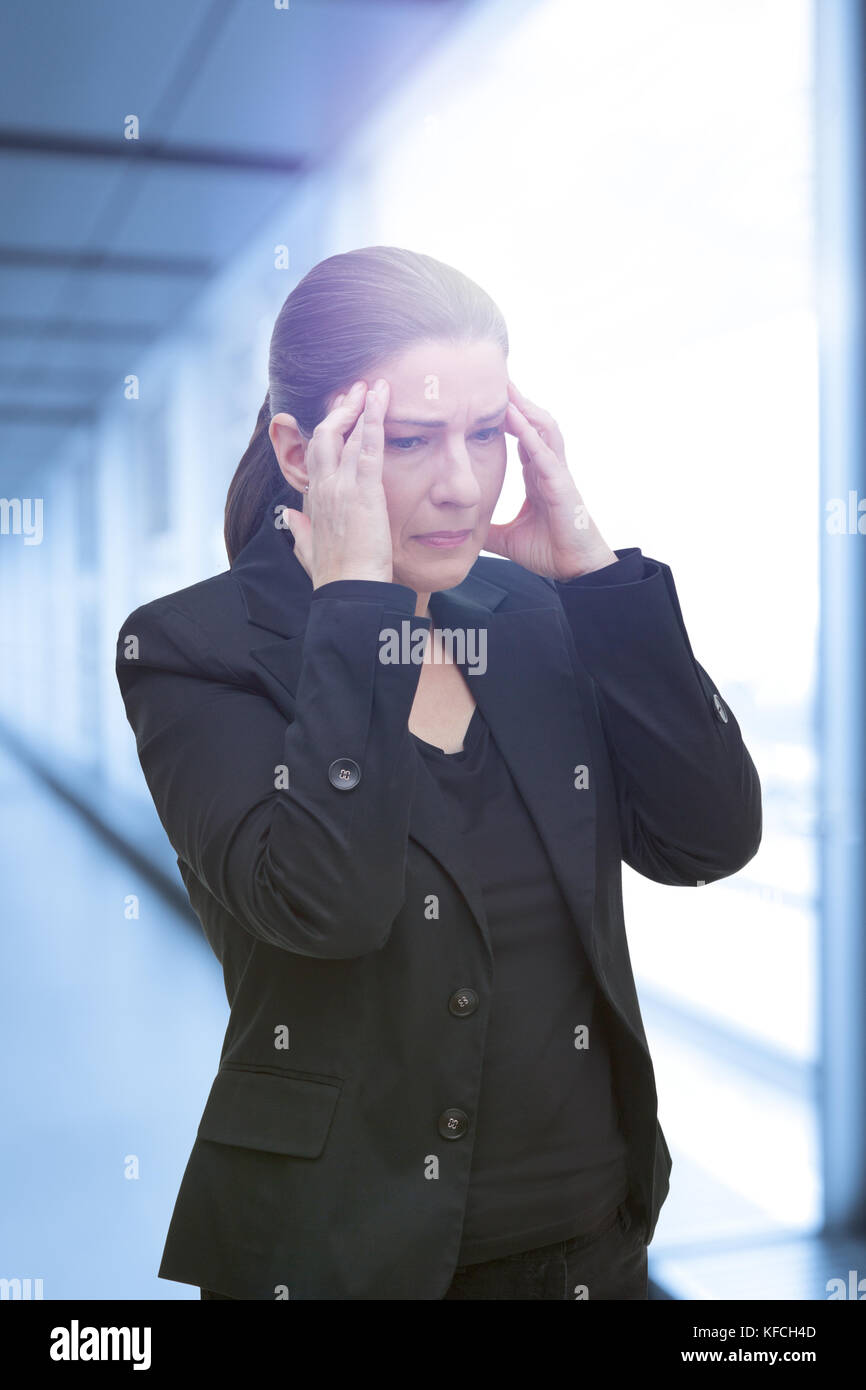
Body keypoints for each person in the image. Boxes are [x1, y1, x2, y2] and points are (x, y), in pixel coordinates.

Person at [115, 246, 762, 1300]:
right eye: (410, 441)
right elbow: (327, 905)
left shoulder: (535, 618)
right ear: (297, 448)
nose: (460, 484)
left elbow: (707, 838)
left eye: (485, 436)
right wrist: (356, 599)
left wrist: (593, 580)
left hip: (593, 1244)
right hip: (339, 1260)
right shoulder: (192, 649)